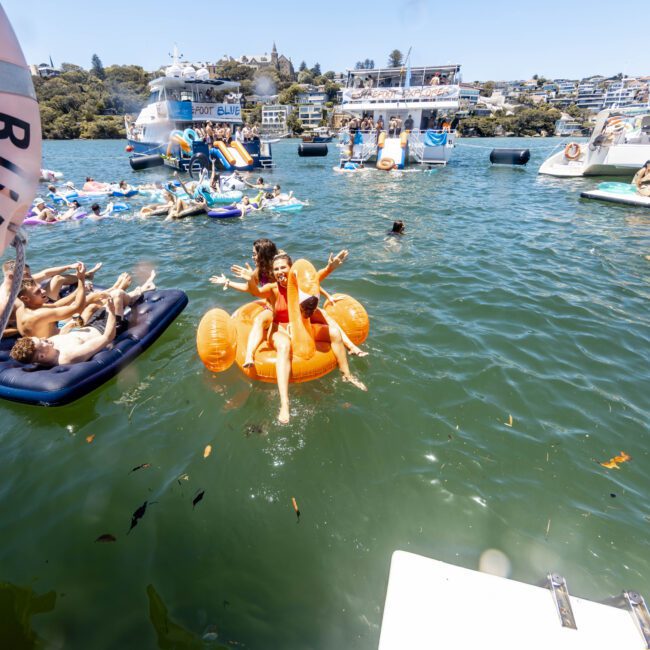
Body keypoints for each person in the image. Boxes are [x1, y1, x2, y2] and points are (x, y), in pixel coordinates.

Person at [216, 252, 366, 423]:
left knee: (333, 332)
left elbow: (318, 277)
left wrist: (331, 266)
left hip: (301, 328)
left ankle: (347, 375)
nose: (280, 272)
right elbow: (255, 291)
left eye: (283, 268)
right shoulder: (272, 288)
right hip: (279, 330)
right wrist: (250, 279)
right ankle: (285, 404)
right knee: (284, 345)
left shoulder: (300, 285)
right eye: (276, 269)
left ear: (291, 268)